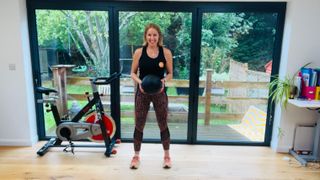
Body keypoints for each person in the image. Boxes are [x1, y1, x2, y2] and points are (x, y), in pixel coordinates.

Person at [130, 23, 173, 169]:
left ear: (159, 36)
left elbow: (170, 74)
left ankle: (167, 156)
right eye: (149, 35)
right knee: (139, 124)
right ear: (145, 36)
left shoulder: (165, 52)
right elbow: (132, 73)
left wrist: (164, 81)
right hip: (142, 93)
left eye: (155, 35)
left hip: (160, 93)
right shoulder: (139, 52)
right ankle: (136, 156)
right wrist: (140, 83)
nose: (152, 38)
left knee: (163, 123)